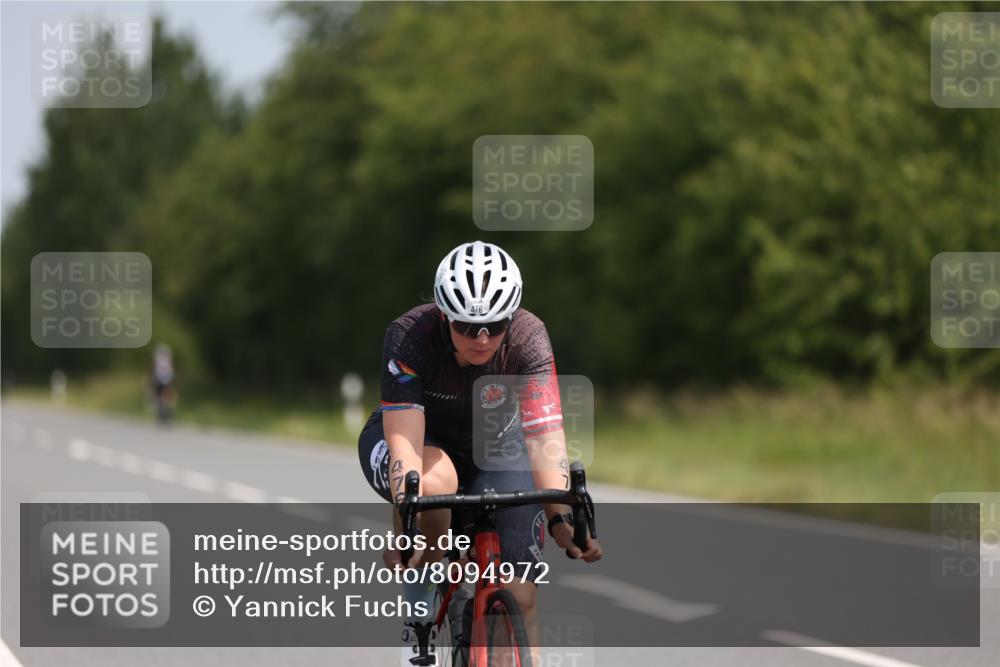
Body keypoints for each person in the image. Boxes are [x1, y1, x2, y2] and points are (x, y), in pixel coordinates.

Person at [358, 241, 602, 666]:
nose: (483, 338)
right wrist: (408, 516)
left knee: (522, 594)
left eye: (495, 324)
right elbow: (405, 447)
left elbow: (545, 436)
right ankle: (417, 627)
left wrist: (562, 518)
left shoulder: (528, 337)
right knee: (434, 490)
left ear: (512, 317)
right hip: (419, 440)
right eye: (468, 327)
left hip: (494, 447)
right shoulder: (409, 336)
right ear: (444, 316)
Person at [150, 343, 176, 425]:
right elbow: (171, 370)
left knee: (160, 399)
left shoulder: (158, 360)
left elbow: (154, 370)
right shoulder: (167, 360)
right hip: (166, 381)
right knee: (165, 399)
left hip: (161, 381)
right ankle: (165, 417)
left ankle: (162, 417)